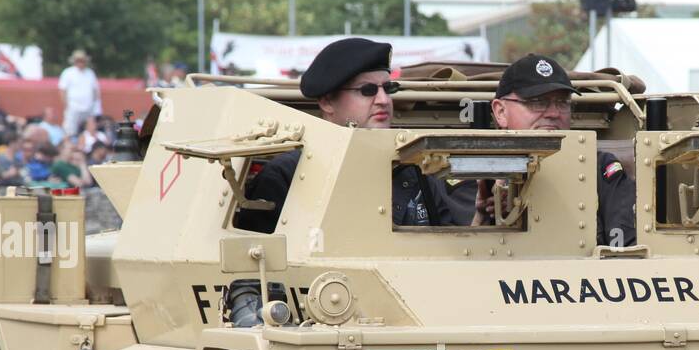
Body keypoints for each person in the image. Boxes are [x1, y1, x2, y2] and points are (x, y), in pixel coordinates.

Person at [242, 37, 454, 233]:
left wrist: (480, 215)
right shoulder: (286, 174)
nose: (383, 100)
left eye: (388, 88)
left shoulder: (415, 168)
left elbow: (448, 249)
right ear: (326, 101)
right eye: (367, 90)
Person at [482, 54, 635, 247]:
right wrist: (483, 214)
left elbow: (625, 248)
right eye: (537, 102)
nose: (554, 113)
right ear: (501, 112)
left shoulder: (597, 167)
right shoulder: (473, 167)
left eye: (562, 103)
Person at [59, 49, 101, 139]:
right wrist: (66, 105)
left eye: (82, 60)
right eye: (78, 60)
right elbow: (62, 90)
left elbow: (95, 90)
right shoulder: (68, 73)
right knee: (69, 130)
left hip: (88, 108)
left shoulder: (90, 73)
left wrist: (95, 105)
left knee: (89, 129)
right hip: (73, 107)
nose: (80, 63)